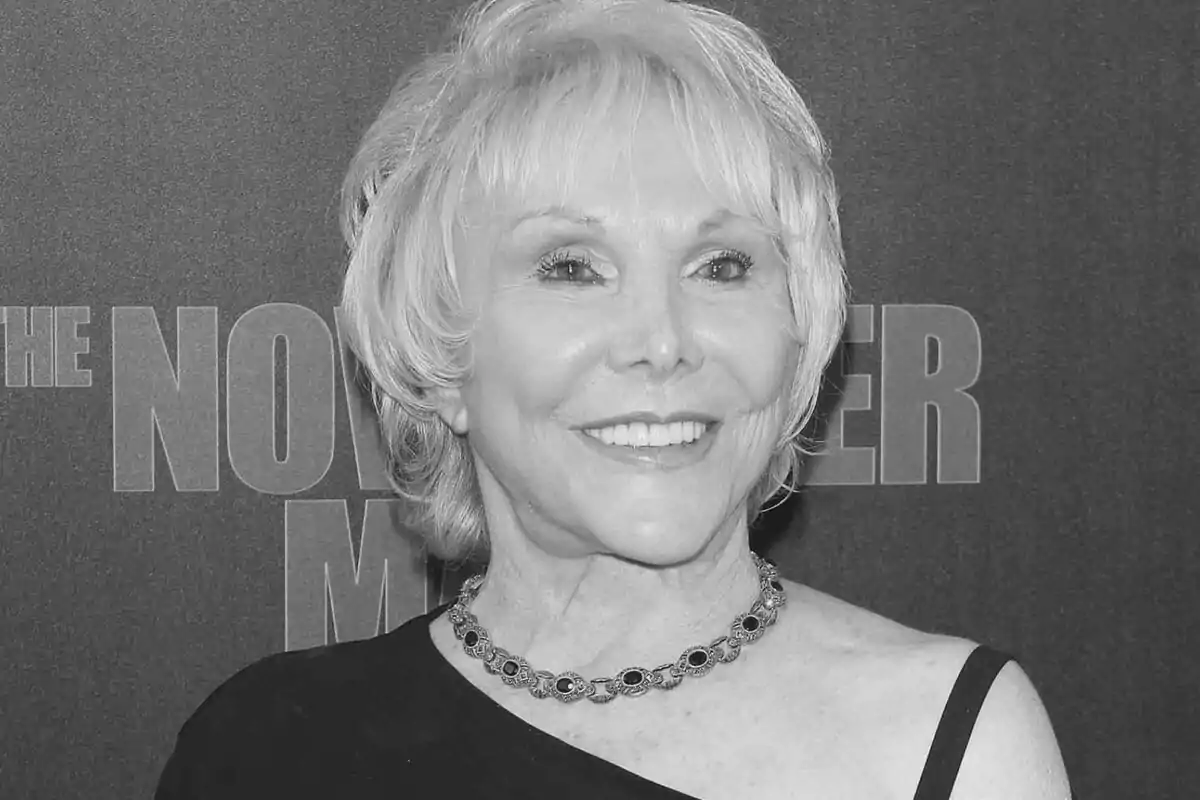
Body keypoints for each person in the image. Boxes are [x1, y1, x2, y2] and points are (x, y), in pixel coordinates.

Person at [155, 0, 1072, 797]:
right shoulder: (266, 750)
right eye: (572, 268)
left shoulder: (944, 742)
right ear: (439, 351)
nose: (663, 340)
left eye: (723, 266)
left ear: (799, 336)